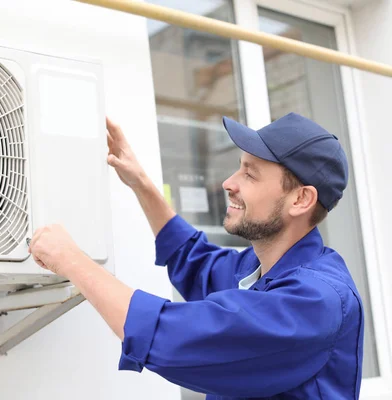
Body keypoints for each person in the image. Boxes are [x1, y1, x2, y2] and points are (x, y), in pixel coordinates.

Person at [28, 112, 364, 399]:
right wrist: (140, 182)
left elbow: (167, 336)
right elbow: (191, 256)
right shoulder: (256, 271)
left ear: (301, 200)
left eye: (250, 173)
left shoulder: (313, 302)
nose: (229, 183)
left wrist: (71, 259)